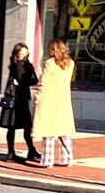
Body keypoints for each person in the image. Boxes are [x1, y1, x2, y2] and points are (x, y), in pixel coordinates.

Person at [30, 38, 77, 167]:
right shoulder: (70, 63)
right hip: (63, 99)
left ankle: (47, 160)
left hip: (48, 99)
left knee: (48, 131)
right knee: (63, 130)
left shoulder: (49, 63)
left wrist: (37, 97)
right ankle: (67, 157)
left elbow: (44, 82)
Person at [0, 42, 39, 162]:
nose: (22, 55)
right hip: (14, 99)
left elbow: (34, 80)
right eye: (20, 53)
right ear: (16, 53)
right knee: (12, 126)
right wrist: (27, 80)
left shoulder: (28, 65)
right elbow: (23, 79)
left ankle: (31, 150)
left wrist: (27, 80)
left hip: (23, 98)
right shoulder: (16, 64)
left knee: (27, 126)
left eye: (24, 53)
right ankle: (11, 153)